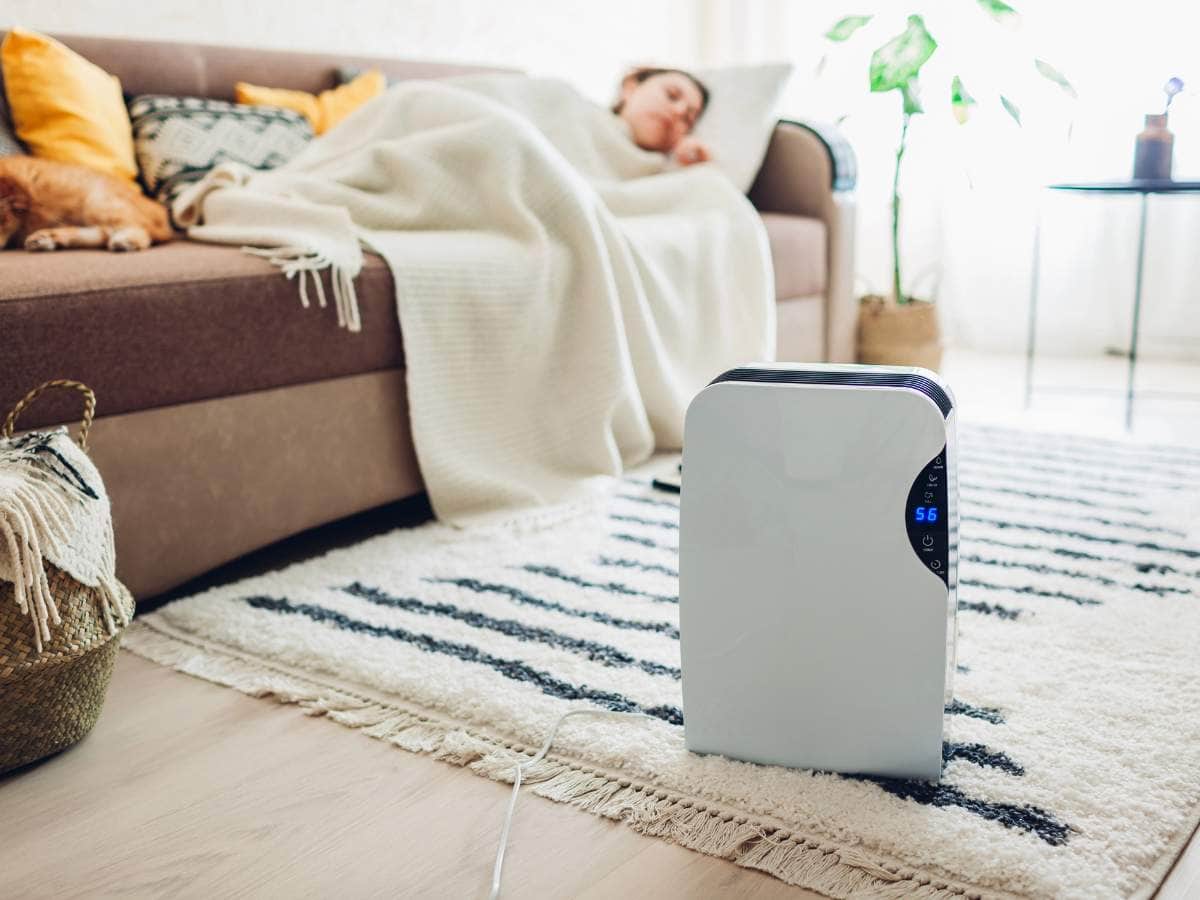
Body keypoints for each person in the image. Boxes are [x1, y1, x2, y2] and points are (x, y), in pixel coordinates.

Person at [613, 68, 711, 166]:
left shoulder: (682, 174)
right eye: (671, 95)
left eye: (687, 119)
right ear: (630, 88)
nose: (678, 111)